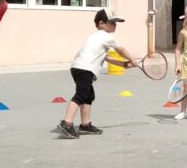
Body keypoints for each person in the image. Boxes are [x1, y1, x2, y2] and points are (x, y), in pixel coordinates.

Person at [57, 9, 133, 138]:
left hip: (78, 68)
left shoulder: (95, 37)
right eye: (112, 22)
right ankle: (67, 123)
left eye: (116, 22)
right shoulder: (105, 36)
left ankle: (85, 125)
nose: (115, 25)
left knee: (88, 95)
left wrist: (124, 64)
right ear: (101, 23)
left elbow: (107, 58)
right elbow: (121, 50)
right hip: (85, 69)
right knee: (81, 95)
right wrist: (132, 60)